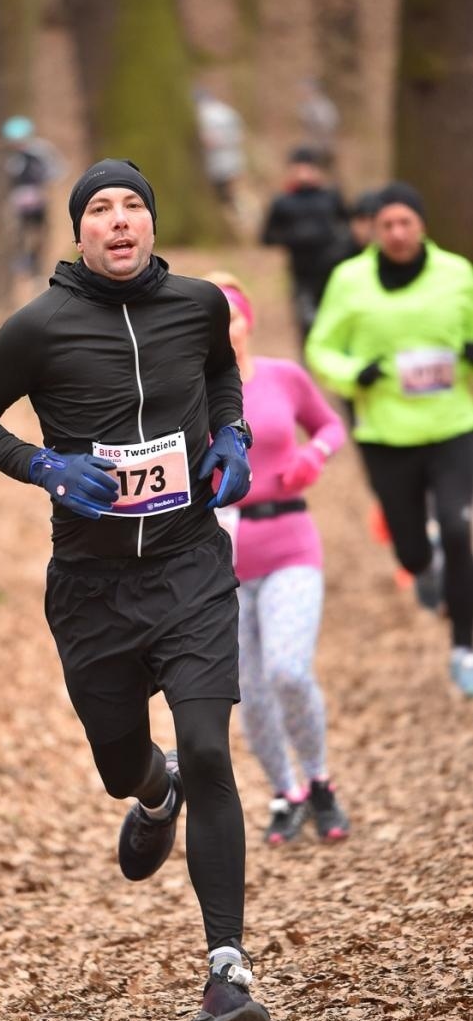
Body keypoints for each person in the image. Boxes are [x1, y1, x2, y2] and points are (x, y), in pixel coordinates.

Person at [0, 158, 274, 1021]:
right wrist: (44, 465)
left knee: (210, 749)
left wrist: (233, 434)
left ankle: (226, 971)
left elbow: (220, 376)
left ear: (152, 224)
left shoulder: (198, 304)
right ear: (78, 231)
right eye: (100, 209)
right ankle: (150, 790)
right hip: (91, 590)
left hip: (189, 567)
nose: (119, 220)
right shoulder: (39, 326)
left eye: (134, 205)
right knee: (122, 761)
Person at [305, 181, 473, 697]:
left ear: (422, 225)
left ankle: (464, 646)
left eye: (406, 222)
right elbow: (321, 348)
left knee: (459, 523)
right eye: (387, 225)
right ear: (373, 232)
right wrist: (358, 373)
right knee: (410, 550)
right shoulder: (350, 281)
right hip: (385, 434)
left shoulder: (458, 274)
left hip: (452, 426)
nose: (398, 233)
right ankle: (424, 566)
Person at [205, 272, 350, 845]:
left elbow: (331, 424)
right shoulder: (188, 393)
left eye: (231, 316)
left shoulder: (283, 378)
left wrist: (314, 454)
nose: (224, 328)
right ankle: (285, 793)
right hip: (223, 559)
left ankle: (320, 782)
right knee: (251, 691)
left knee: (288, 671)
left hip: (289, 541)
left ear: (248, 321)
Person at [260, 145, 348, 349]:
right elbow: (267, 236)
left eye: (308, 167)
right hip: (301, 272)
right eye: (299, 167)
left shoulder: (331, 197)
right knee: (305, 320)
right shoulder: (283, 202)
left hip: (332, 268)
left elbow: (348, 224)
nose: (304, 173)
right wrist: (294, 236)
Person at [1, 115, 67, 282]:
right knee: (20, 237)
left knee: (39, 236)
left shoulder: (40, 151)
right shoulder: (9, 157)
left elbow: (58, 170)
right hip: (18, 205)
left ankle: (38, 270)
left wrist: (43, 185)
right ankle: (26, 267)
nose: (18, 145)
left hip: (38, 202)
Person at [194, 87, 246, 212]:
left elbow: (209, 140)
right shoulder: (227, 111)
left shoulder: (204, 114)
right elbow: (240, 134)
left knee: (221, 193)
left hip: (216, 161)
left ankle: (230, 212)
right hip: (233, 158)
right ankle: (234, 211)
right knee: (230, 191)